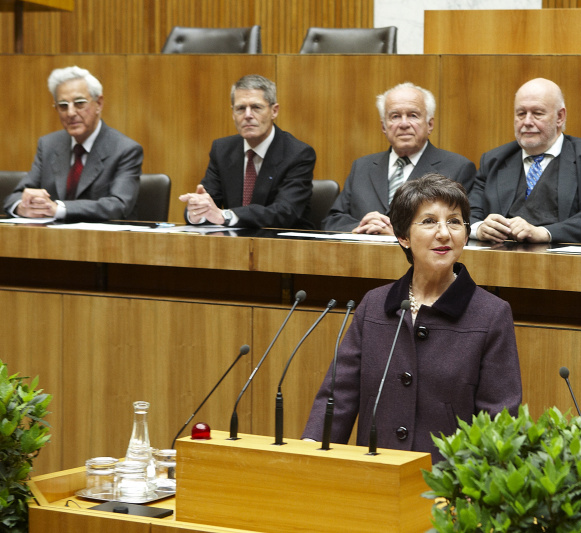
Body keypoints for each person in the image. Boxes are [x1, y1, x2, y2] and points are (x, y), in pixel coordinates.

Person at [303, 174, 522, 462]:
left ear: (466, 234)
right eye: (429, 221)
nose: (444, 233)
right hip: (376, 473)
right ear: (403, 236)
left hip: (448, 486)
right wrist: (310, 450)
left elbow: (499, 417)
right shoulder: (375, 304)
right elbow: (339, 395)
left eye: (454, 221)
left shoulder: (491, 313)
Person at [469, 78, 581, 244]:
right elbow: (465, 215)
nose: (527, 122)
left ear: (560, 117)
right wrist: (479, 228)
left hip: (568, 264)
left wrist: (543, 233)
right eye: (521, 113)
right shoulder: (493, 160)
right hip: (499, 261)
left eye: (537, 113)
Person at [322, 82, 476, 234]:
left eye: (413, 115)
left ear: (430, 124)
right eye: (395, 116)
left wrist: (397, 236)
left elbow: (460, 228)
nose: (403, 124)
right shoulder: (362, 166)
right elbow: (332, 221)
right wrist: (361, 228)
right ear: (384, 126)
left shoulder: (457, 168)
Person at [4, 66, 142, 221]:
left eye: (79, 103)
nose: (70, 113)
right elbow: (14, 197)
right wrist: (22, 206)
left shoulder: (125, 150)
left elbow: (118, 205)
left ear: (99, 104)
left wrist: (59, 208)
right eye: (63, 106)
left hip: (104, 241)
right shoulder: (48, 145)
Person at [179, 74, 316, 229]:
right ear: (233, 113)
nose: (248, 115)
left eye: (256, 107)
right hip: (234, 244)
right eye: (240, 108)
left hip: (284, 245)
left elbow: (284, 212)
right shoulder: (222, 150)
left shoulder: (298, 153)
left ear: (274, 111)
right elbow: (210, 201)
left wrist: (225, 215)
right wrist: (197, 211)